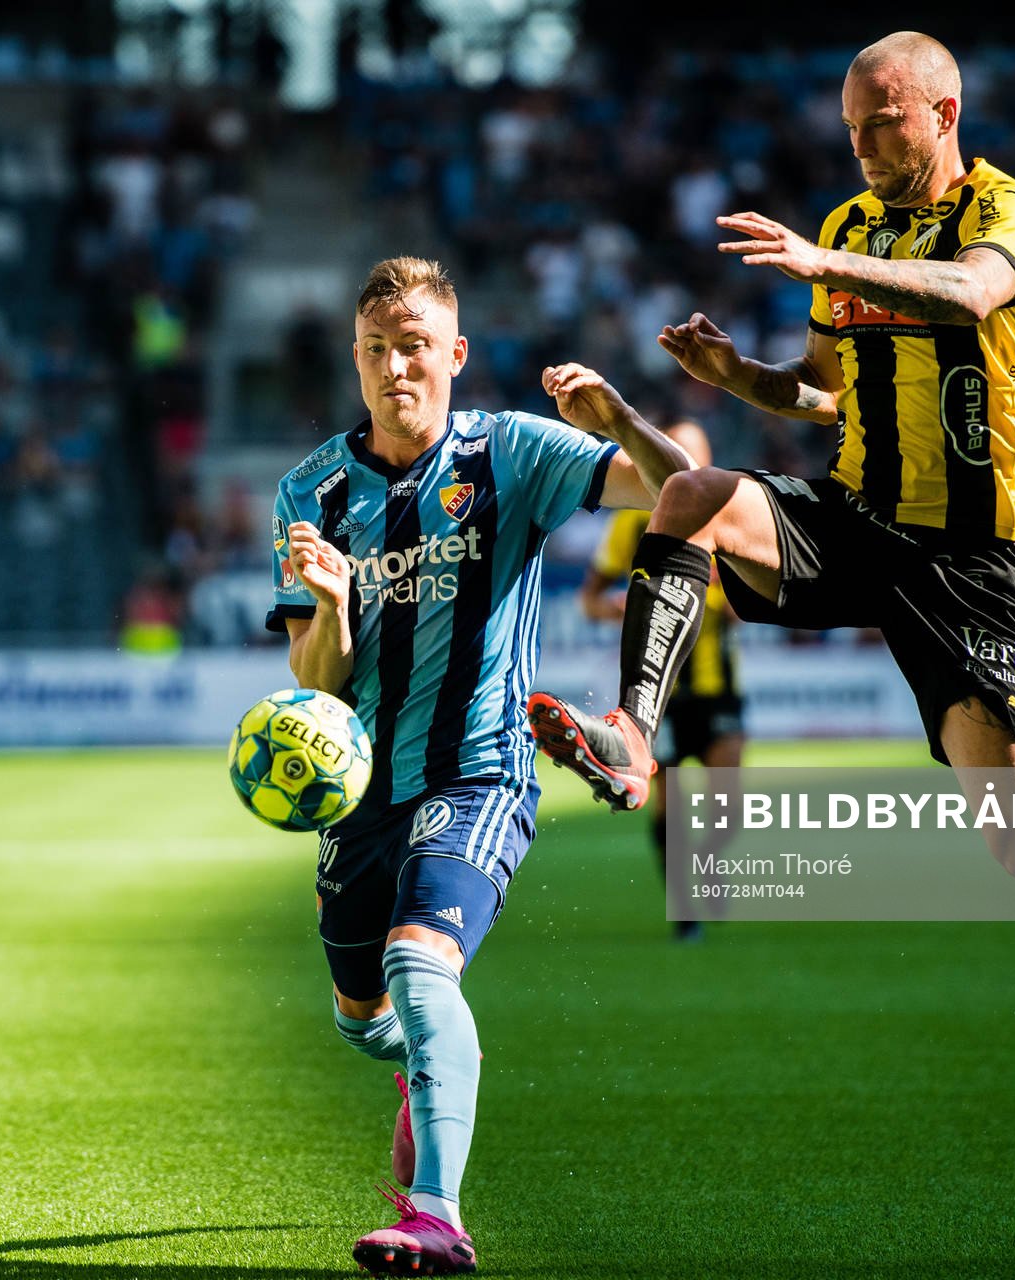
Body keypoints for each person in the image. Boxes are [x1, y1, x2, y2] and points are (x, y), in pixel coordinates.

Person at [526, 32, 1015, 1114]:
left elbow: (971, 293)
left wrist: (824, 267)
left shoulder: (1010, 208)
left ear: (943, 114)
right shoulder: (851, 224)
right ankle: (629, 736)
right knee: (693, 497)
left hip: (970, 561)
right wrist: (738, 374)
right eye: (850, 128)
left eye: (880, 123)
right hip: (855, 515)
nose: (859, 147)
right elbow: (822, 391)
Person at [266, 256, 691, 1274]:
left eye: (413, 346)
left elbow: (682, 487)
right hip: (363, 790)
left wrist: (617, 415)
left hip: (481, 770)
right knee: (363, 1020)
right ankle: (434, 1050)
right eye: (375, 349)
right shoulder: (311, 488)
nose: (393, 368)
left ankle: (437, 1214)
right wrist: (330, 603)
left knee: (419, 962)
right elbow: (316, 680)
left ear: (454, 353)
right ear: (356, 359)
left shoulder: (512, 450)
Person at [577, 419, 744, 942]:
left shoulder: (731, 514)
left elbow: (753, 600)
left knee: (730, 808)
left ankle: (708, 867)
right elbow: (589, 599)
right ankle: (685, 908)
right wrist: (617, 608)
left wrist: (733, 601)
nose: (687, 469)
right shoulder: (632, 523)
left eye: (695, 458)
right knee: (669, 805)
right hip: (660, 694)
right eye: (678, 457)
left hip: (718, 687)